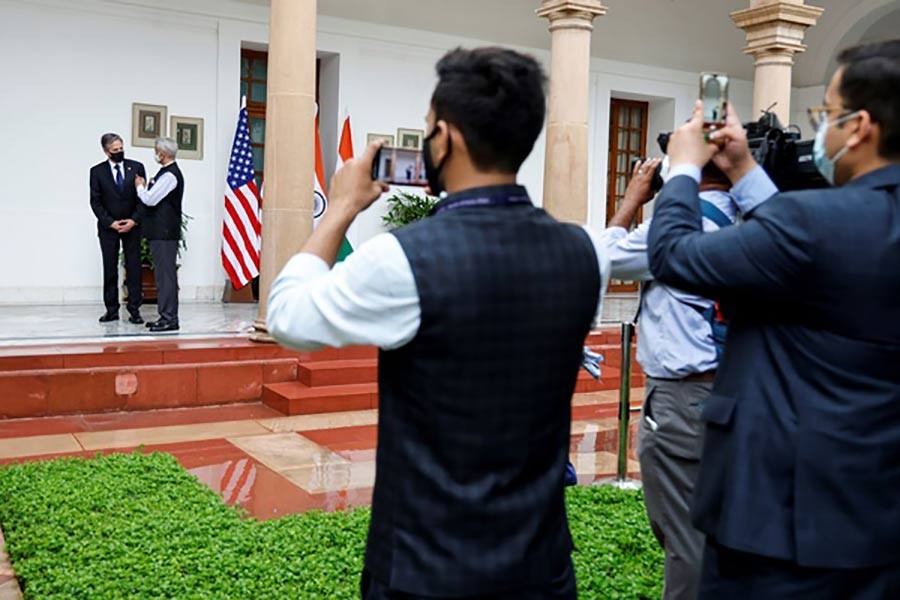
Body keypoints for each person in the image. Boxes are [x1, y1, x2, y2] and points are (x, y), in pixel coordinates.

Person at [267, 47, 611, 599]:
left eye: (429, 131)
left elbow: (287, 316)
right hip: (540, 567)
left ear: (445, 139)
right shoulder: (586, 254)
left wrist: (339, 209)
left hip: (426, 570)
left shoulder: (401, 259)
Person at [648, 40, 900, 598]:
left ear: (859, 127)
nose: (821, 131)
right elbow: (808, 256)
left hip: (776, 528)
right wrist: (742, 168)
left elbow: (672, 256)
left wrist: (683, 169)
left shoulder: (816, 222)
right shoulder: (836, 226)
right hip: (878, 519)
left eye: (826, 114)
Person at [600, 155, 766, 599]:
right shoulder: (760, 218)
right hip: (746, 392)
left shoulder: (674, 229)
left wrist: (634, 199)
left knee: (685, 536)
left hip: (684, 398)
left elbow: (603, 257)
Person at [89, 133, 146, 323]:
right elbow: (95, 202)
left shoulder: (136, 167)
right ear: (106, 151)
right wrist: (110, 223)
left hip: (132, 226)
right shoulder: (97, 172)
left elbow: (142, 198)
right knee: (110, 268)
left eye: (121, 149)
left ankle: (135, 309)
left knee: (134, 268)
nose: (119, 152)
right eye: (115, 150)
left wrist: (133, 220)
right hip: (108, 228)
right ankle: (111, 310)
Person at [135, 137, 184, 333]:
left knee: (166, 277)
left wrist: (140, 185)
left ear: (162, 154)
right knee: (163, 276)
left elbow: (150, 200)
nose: (155, 153)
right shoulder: (165, 173)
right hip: (160, 233)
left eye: (156, 150)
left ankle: (169, 318)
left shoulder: (171, 175)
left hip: (164, 233)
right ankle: (166, 315)